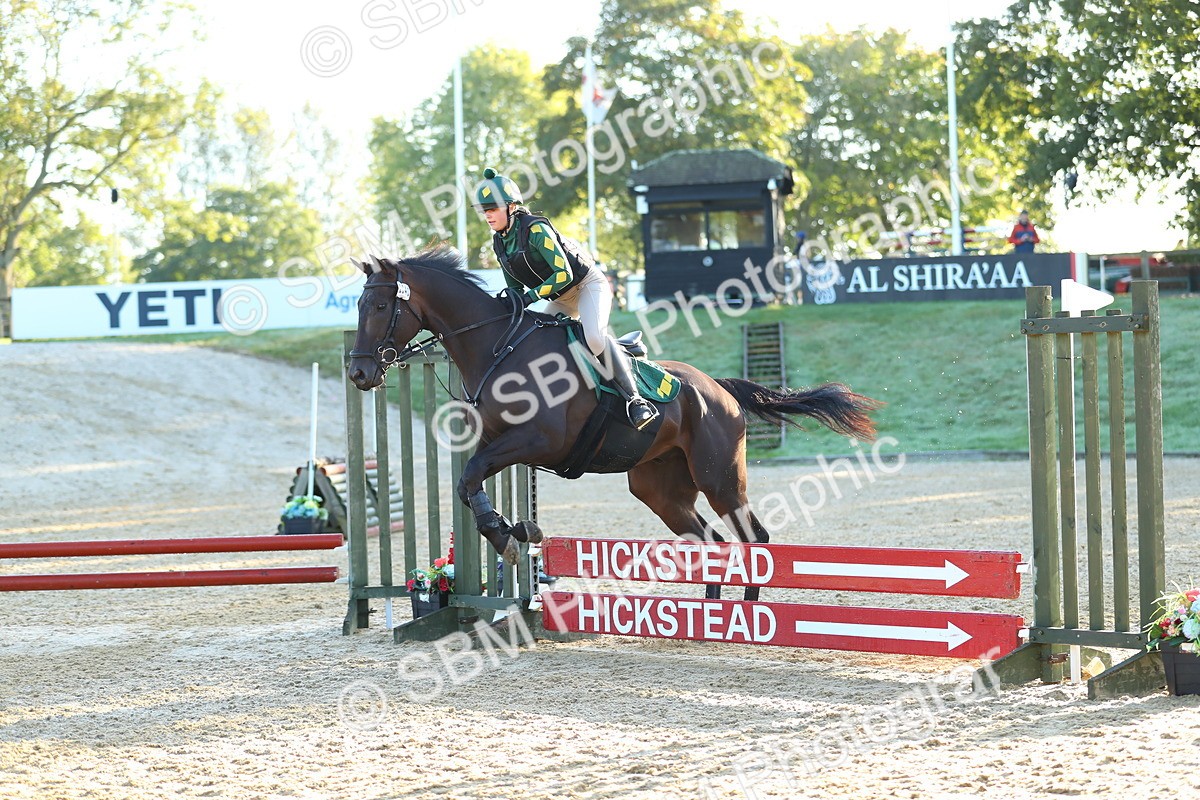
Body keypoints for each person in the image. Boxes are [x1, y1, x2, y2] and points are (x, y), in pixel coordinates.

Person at [472, 167, 658, 430]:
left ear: (511, 207)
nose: (488, 215)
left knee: (594, 338)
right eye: (484, 210)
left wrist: (531, 297)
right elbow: (515, 288)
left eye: (493, 209)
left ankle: (636, 401)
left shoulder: (536, 230)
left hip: (587, 286)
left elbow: (564, 273)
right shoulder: (500, 242)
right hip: (559, 299)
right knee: (535, 345)